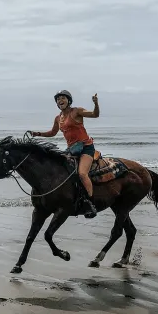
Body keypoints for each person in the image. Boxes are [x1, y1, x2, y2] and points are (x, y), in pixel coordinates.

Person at [27, 90, 100, 218]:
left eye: (63, 98)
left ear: (69, 100)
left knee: (82, 174)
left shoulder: (77, 111)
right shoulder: (58, 118)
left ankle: (90, 203)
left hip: (86, 148)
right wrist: (38, 134)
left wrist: (96, 103)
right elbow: (53, 133)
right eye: (58, 99)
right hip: (71, 150)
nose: (60, 100)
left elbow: (95, 115)